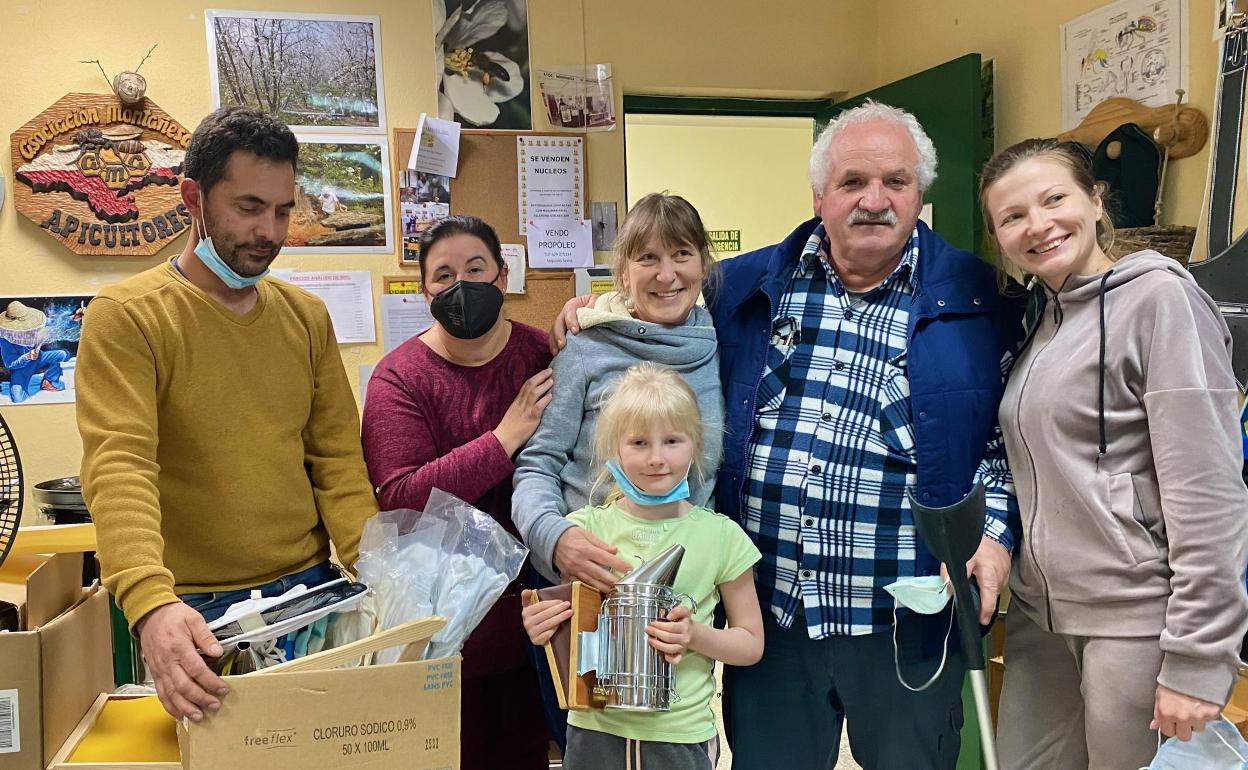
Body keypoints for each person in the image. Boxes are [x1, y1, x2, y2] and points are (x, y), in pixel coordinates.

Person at [553, 101, 1025, 769]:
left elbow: (1008, 445)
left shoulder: (980, 300)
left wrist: (997, 536)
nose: (874, 200)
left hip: (902, 616)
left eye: (896, 182)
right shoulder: (741, 286)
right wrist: (594, 310)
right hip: (771, 615)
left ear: (921, 194)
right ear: (818, 195)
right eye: (853, 181)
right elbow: (657, 315)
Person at [76, 107, 379, 722]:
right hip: (193, 610)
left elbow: (338, 463)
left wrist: (383, 572)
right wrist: (149, 602)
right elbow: (120, 466)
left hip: (312, 593)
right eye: (248, 207)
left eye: (283, 210)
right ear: (194, 197)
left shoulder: (305, 317)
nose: (269, 229)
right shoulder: (128, 315)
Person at [980, 138, 1248, 770]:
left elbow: (1208, 490)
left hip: (1136, 622)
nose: (1038, 225)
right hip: (1041, 619)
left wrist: (1198, 659)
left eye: (1054, 199)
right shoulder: (1041, 319)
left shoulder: (1161, 300)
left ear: (1097, 201)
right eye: (1013, 217)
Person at [360, 214, 555, 770]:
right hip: (444, 629)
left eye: (475, 268)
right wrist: (504, 439)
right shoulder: (398, 378)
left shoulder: (542, 355)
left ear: (501, 277)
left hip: (536, 620)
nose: (460, 285)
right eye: (443, 275)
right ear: (425, 292)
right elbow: (399, 495)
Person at [522, 362, 763, 770]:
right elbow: (558, 621)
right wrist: (540, 627)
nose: (656, 458)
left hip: (680, 735)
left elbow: (751, 644)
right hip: (593, 730)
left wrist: (694, 635)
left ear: (696, 445)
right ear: (613, 447)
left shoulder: (723, 538)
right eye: (638, 443)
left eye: (672, 440)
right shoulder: (581, 532)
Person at [513, 192, 725, 594]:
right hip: (584, 586)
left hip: (681, 593)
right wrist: (554, 539)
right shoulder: (585, 347)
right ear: (624, 273)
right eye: (647, 258)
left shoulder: (723, 345)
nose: (666, 275)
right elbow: (537, 465)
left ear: (703, 264)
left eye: (681, 254)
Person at [0, 301, 69, 403]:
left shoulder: (36, 328)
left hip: (40, 358)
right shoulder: (5, 339)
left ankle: (49, 380)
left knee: (63, 354)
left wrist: (74, 318)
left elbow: (57, 324)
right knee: (18, 398)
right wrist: (27, 357)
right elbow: (10, 363)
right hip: (21, 369)